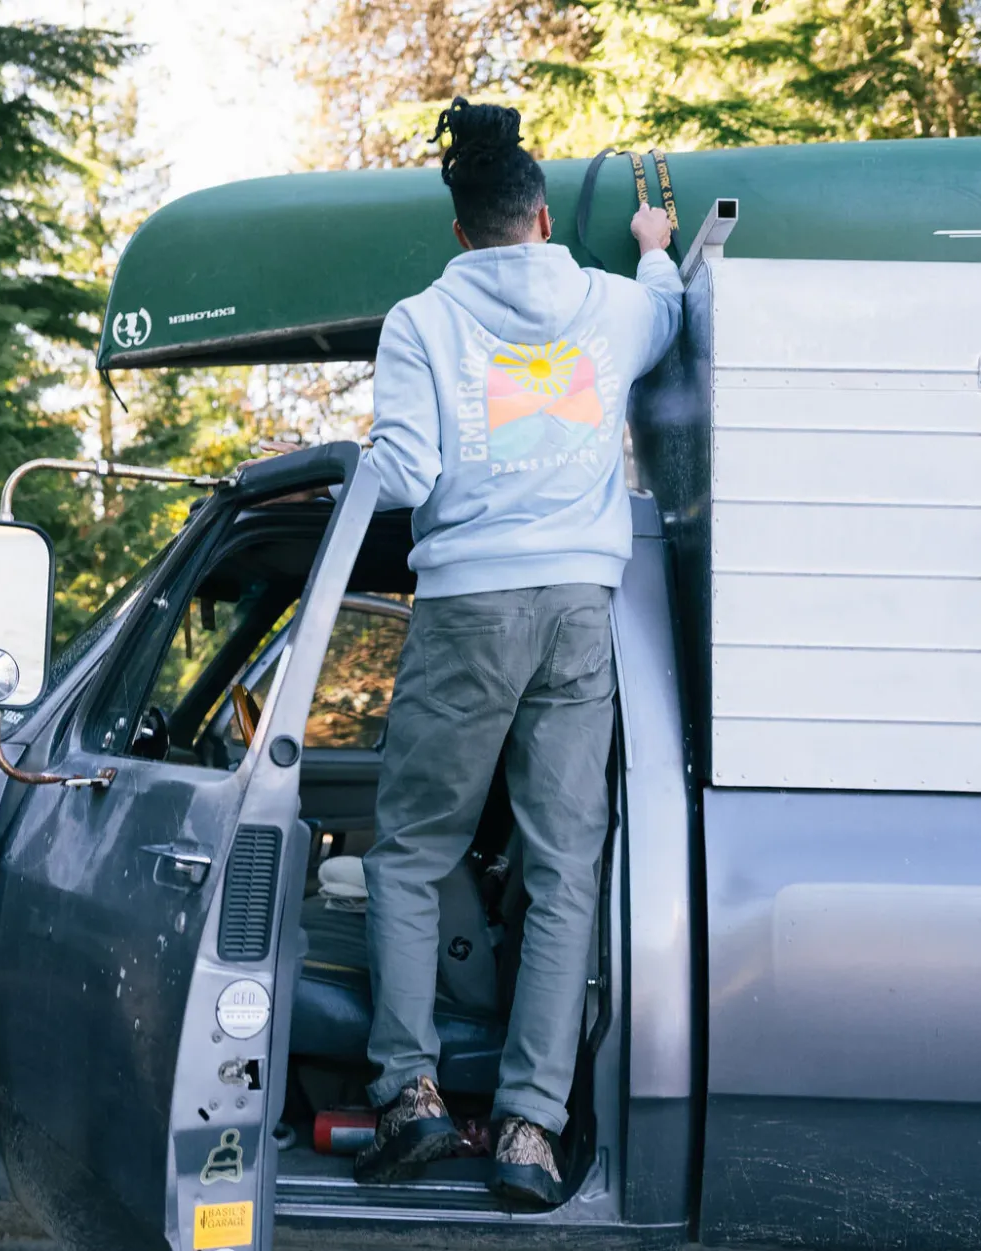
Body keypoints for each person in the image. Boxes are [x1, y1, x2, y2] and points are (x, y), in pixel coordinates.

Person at [343, 97, 683, 1207]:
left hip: (468, 610)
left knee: (411, 853)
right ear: (540, 217)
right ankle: (531, 1129)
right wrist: (654, 248)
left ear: (461, 232)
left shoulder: (422, 321)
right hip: (581, 607)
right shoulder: (609, 306)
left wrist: (355, 480)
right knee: (562, 867)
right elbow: (668, 311)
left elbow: (403, 470)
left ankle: (410, 1097)